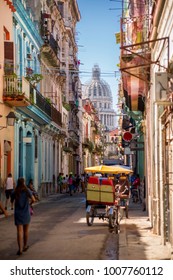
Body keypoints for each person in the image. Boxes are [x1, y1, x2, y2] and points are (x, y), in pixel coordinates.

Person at [11, 177, 35, 256]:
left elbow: (11, 200)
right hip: (26, 213)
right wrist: (29, 204)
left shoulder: (15, 191)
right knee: (26, 230)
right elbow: (33, 199)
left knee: (19, 231)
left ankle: (20, 249)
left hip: (18, 213)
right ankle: (25, 246)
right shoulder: (27, 190)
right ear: (24, 183)